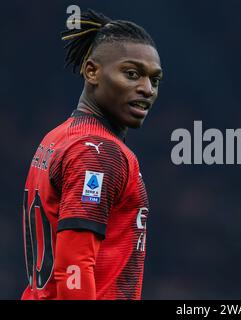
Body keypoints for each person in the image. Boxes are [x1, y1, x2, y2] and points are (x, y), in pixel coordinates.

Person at [21, 9, 163, 300]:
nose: (147, 89)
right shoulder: (100, 153)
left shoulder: (59, 137)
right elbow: (73, 264)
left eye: (155, 80)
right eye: (132, 74)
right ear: (92, 71)